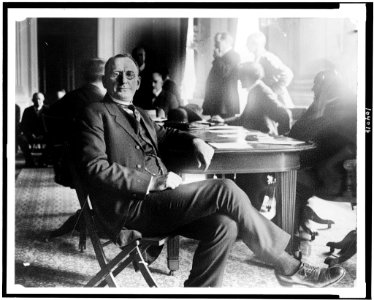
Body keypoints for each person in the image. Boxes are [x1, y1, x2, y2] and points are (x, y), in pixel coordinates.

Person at [74, 53, 345, 288]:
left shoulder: (141, 114)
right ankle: (288, 266)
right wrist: (152, 183)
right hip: (132, 207)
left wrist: (196, 140)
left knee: (223, 225)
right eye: (116, 74)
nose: (123, 80)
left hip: (159, 203)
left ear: (137, 81)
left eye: (129, 74)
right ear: (106, 79)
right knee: (224, 188)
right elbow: (94, 168)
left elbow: (165, 134)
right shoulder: (95, 113)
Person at [289, 70, 357, 239]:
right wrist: (316, 106)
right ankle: (294, 225)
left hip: (339, 174)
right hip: (320, 165)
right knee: (289, 173)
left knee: (292, 179)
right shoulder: (324, 105)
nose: (313, 88)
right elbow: (296, 132)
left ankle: (290, 231)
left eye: (317, 83)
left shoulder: (348, 107)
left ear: (329, 86)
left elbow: (349, 146)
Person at [46, 58, 106, 187]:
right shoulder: (104, 101)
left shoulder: (71, 97)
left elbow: (49, 116)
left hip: (72, 164)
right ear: (105, 78)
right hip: (99, 166)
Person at [212, 62, 291, 136]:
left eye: (241, 76)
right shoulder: (255, 90)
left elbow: (285, 114)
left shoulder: (262, 92)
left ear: (249, 77)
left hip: (265, 141)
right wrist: (223, 121)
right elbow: (243, 118)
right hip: (257, 138)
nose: (239, 80)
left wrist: (281, 138)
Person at [246, 31, 294, 107]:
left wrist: (273, 90)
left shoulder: (267, 58)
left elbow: (288, 74)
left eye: (249, 43)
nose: (246, 45)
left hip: (278, 101)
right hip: (267, 99)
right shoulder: (258, 58)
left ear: (256, 44)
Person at [202, 32, 240, 118]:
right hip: (217, 103)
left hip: (225, 103)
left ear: (227, 42)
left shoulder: (234, 55)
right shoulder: (221, 56)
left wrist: (217, 58)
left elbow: (224, 72)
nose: (215, 44)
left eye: (218, 42)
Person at [17, 92, 48, 167]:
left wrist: (43, 135)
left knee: (53, 139)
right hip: (30, 135)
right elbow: (24, 125)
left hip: (44, 135)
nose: (38, 101)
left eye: (39, 99)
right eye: (35, 99)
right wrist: (30, 134)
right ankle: (30, 161)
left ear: (43, 99)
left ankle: (43, 161)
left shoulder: (48, 110)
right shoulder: (27, 111)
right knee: (21, 138)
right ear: (32, 100)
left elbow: (51, 126)